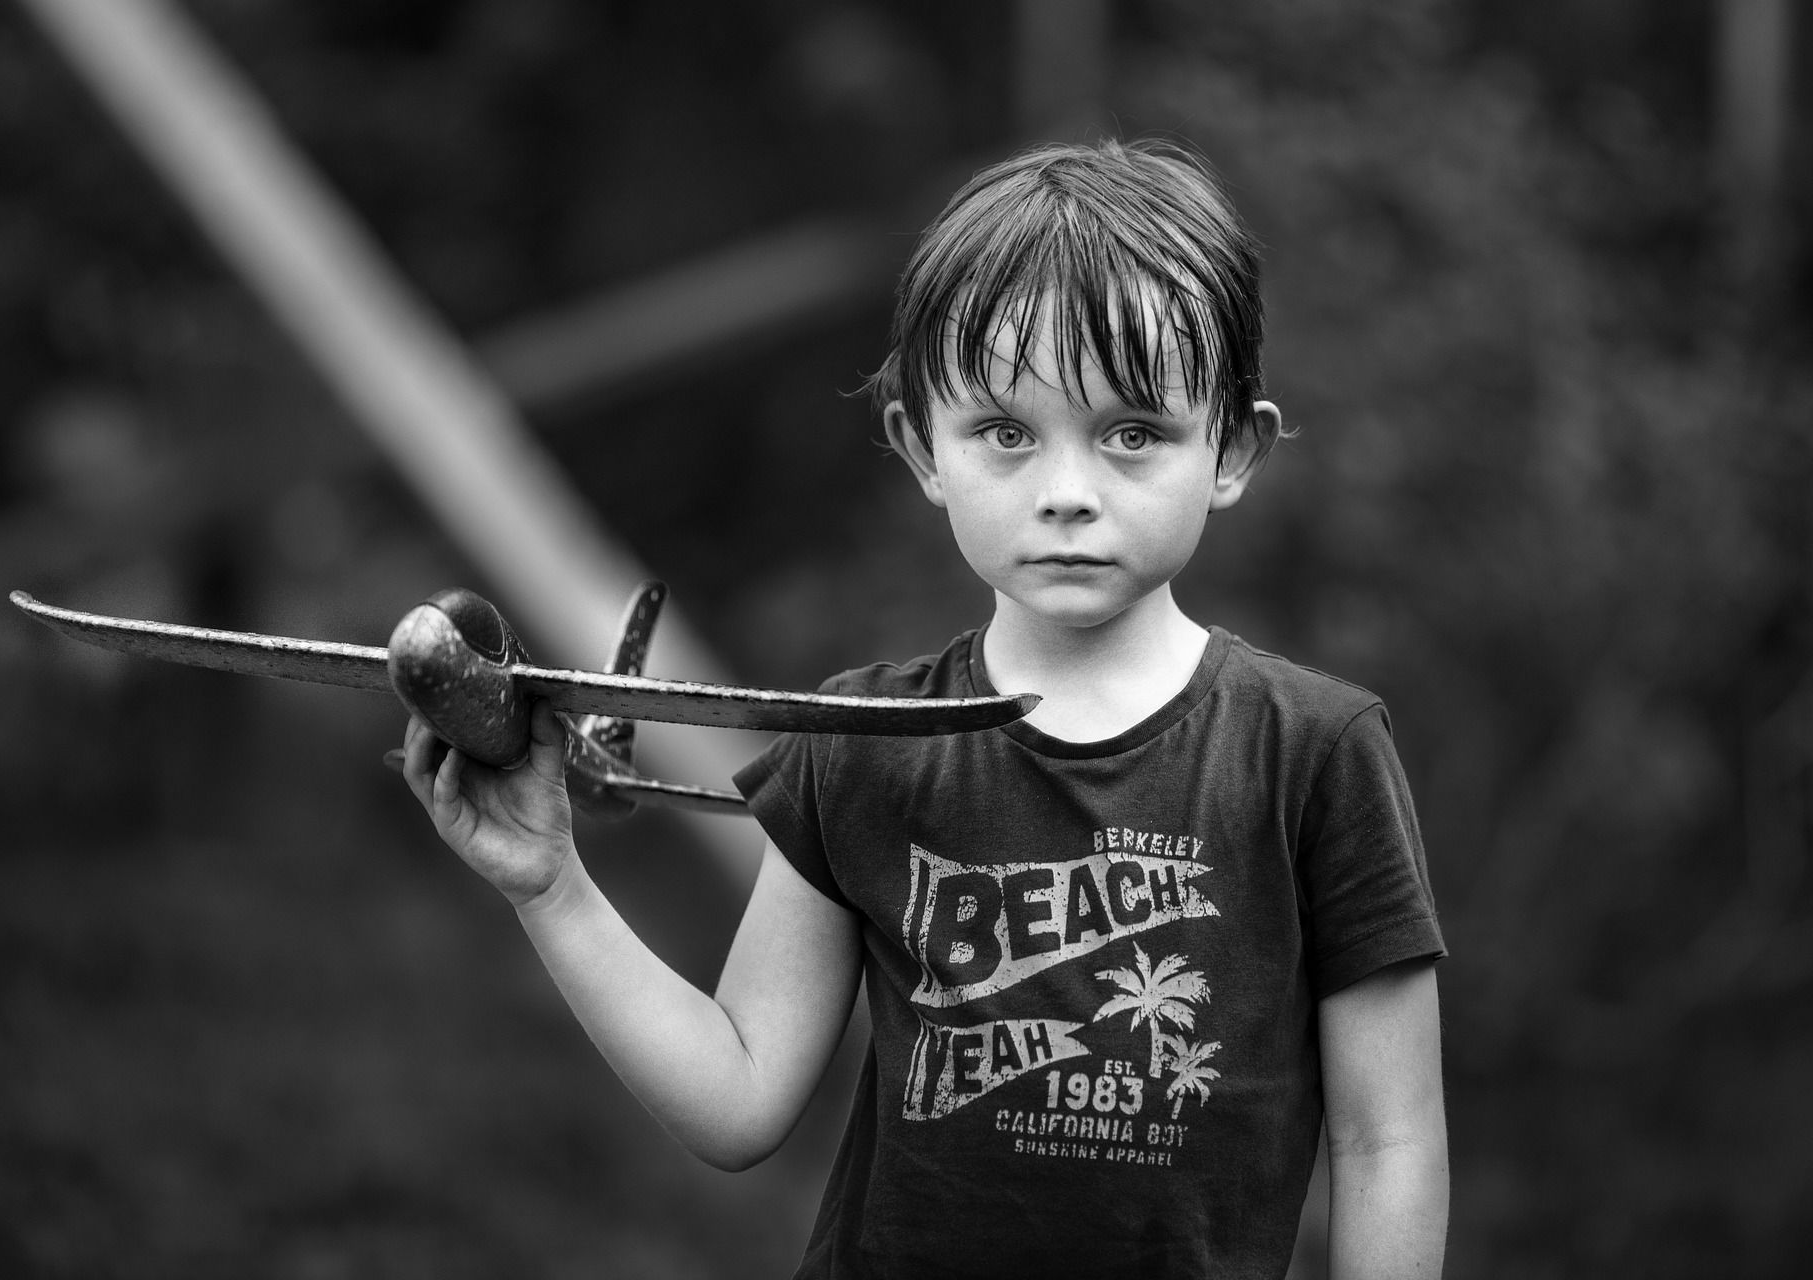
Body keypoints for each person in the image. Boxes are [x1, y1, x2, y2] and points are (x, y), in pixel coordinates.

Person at [399, 137, 1447, 1279]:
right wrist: (551, 885)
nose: (1066, 491)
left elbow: (1387, 1139)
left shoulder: (1313, 752)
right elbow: (740, 1095)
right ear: (921, 447)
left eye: (1133, 433)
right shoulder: (866, 745)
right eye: (1005, 432)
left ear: (1233, 447)